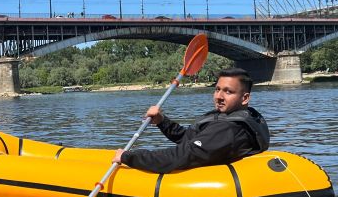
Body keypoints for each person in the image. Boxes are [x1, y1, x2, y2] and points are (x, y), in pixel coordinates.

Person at [112, 68, 270, 173]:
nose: (219, 97)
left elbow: (179, 156)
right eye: (217, 89)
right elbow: (187, 138)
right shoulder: (236, 117)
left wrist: (128, 157)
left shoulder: (229, 129)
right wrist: (162, 121)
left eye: (228, 92)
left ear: (245, 98)